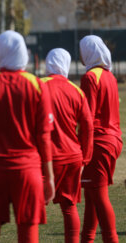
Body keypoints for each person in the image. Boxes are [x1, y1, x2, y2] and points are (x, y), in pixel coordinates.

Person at [0, 30, 55, 243]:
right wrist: (50, 177)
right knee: (28, 234)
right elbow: (44, 136)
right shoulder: (37, 85)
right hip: (28, 171)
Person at [41, 48, 94, 243]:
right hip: (72, 157)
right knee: (69, 207)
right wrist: (85, 159)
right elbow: (88, 127)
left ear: (48, 63)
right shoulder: (77, 90)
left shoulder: (38, 85)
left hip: (45, 158)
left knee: (33, 208)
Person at [79, 35, 123, 243]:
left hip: (98, 142)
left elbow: (88, 118)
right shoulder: (110, 76)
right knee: (92, 197)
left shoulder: (90, 77)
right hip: (113, 140)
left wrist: (81, 150)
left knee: (99, 196)